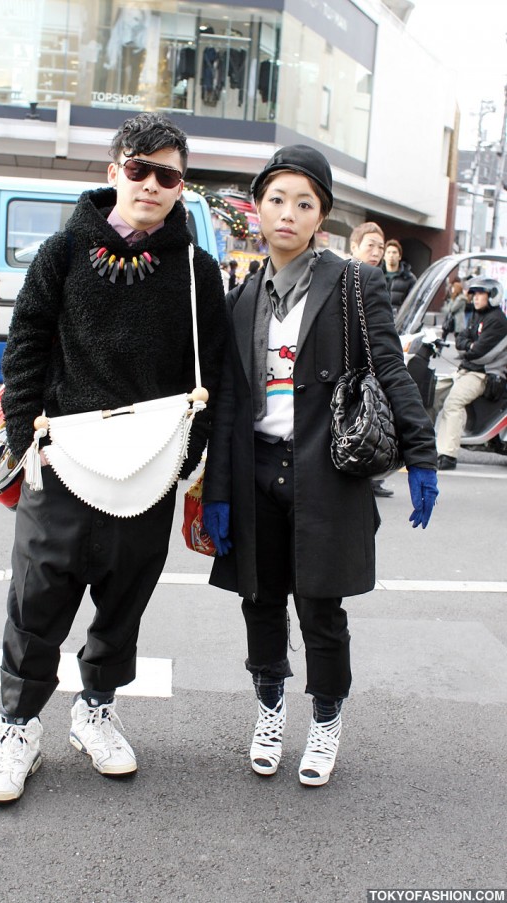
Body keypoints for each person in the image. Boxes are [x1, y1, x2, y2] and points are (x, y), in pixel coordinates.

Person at [0, 112, 227, 802]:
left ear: (181, 186)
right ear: (113, 169)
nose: (150, 183)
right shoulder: (62, 252)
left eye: (166, 174)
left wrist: (186, 458)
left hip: (149, 466)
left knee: (124, 597)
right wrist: (28, 439)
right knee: (38, 596)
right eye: (138, 168)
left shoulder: (196, 271)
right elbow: (26, 343)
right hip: (60, 459)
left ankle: (95, 709)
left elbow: (214, 374)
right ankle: (18, 725)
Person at [201, 145, 438, 788]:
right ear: (258, 209)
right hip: (257, 472)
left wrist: (420, 454)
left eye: (304, 203)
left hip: (326, 472)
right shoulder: (244, 295)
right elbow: (228, 400)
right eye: (276, 199)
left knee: (321, 609)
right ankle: (270, 710)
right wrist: (216, 490)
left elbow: (388, 366)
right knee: (260, 603)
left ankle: (326, 720)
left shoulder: (353, 283)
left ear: (321, 218)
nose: (288, 213)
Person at [436, 278, 507, 471]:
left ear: (492, 296)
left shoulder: (498, 321)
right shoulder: (478, 316)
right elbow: (460, 339)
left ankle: (448, 455)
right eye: (474, 294)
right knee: (434, 393)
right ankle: (424, 445)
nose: (475, 298)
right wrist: (469, 345)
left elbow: (479, 353)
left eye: (480, 294)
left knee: (454, 403)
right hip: (468, 370)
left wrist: (469, 347)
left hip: (483, 375)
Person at [350, 222, 394, 498]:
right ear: (354, 247)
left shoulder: (377, 278)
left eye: (381, 246)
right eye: (370, 246)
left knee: (372, 419)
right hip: (352, 368)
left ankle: (370, 474)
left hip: (371, 364)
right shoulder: (346, 279)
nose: (377, 252)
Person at [382, 239, 416, 314]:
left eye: (394, 252)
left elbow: (414, 303)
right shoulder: (376, 276)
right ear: (384, 256)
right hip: (379, 320)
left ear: (399, 256)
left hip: (399, 321)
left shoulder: (409, 278)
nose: (391, 255)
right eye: (388, 252)